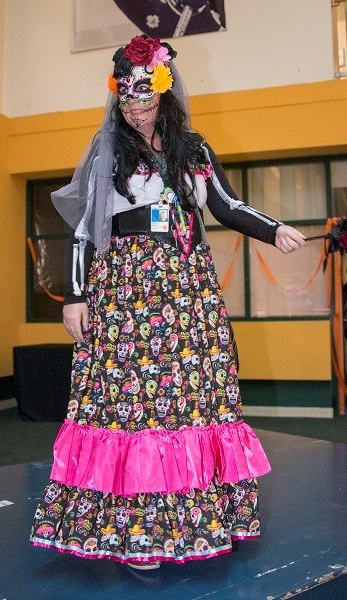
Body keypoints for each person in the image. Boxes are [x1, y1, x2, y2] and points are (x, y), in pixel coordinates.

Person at [29, 35, 307, 569]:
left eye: (144, 95)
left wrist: (275, 230)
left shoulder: (193, 149)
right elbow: (85, 231)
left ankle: (189, 524)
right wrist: (75, 296)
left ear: (165, 92)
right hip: (127, 293)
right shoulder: (107, 151)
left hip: (186, 291)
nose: (134, 106)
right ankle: (135, 533)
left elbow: (226, 206)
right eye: (125, 97)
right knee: (131, 406)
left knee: (190, 402)